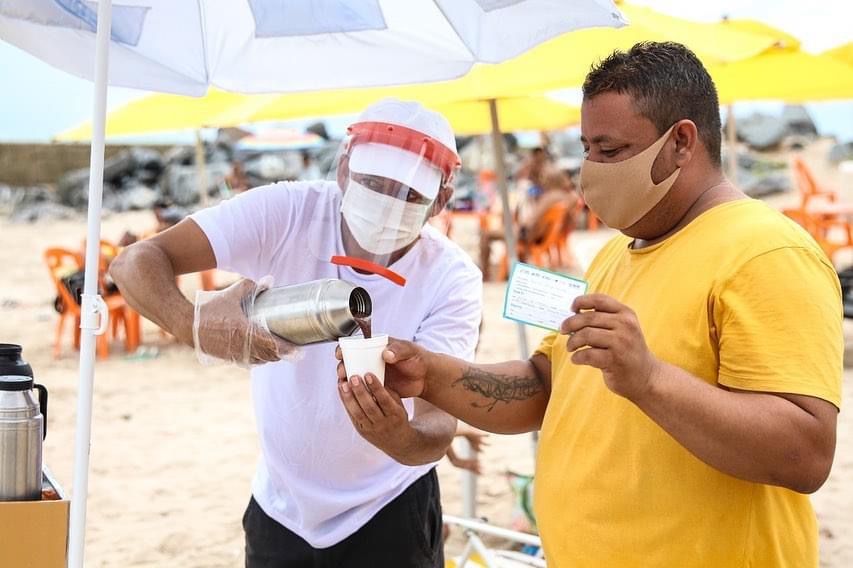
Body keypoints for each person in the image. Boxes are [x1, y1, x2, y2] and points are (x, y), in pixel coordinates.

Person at [339, 43, 842, 567]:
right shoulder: (618, 252)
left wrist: (649, 379)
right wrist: (431, 374)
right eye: (585, 148)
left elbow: (805, 453)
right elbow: (548, 384)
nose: (590, 169)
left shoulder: (764, 251)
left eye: (610, 150)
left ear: (681, 143)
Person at [111, 98, 483, 567]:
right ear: (345, 169)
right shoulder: (288, 213)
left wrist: (398, 438)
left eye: (408, 194)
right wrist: (196, 327)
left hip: (388, 506)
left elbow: (437, 423)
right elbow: (135, 262)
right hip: (279, 505)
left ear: (440, 202)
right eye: (373, 183)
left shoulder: (451, 278)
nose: (387, 204)